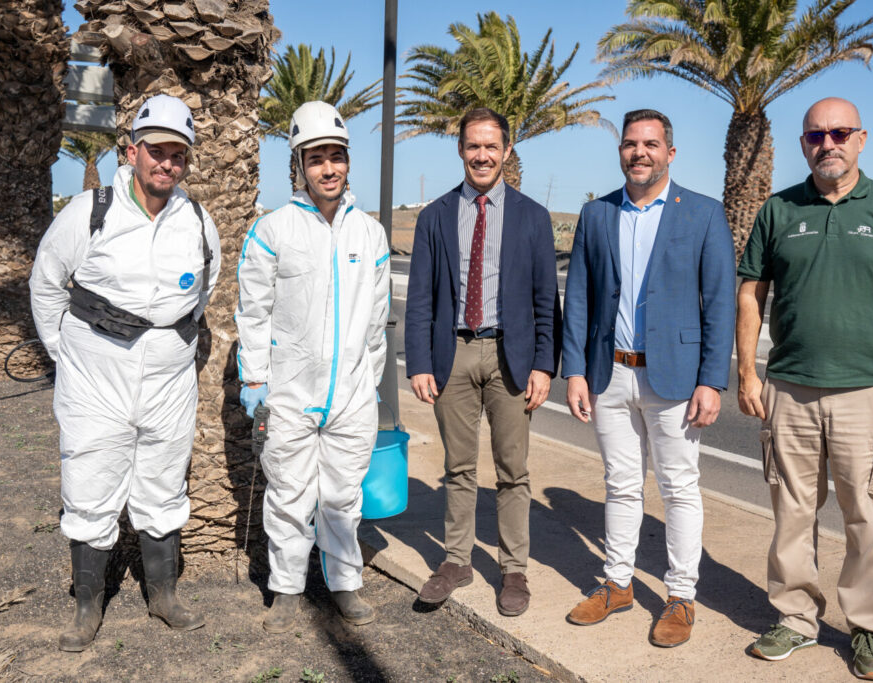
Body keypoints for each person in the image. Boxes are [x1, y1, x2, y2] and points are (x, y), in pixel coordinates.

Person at [736, 97, 873, 681]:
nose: (828, 143)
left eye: (839, 133)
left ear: (861, 139)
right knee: (791, 513)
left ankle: (869, 629)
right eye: (815, 135)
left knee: (866, 518)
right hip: (790, 392)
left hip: (868, 395)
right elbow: (751, 293)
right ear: (803, 143)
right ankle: (795, 619)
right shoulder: (779, 210)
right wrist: (748, 372)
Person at [30, 94, 221, 651]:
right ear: (132, 150)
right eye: (156, 150)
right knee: (90, 483)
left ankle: (163, 597)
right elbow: (46, 284)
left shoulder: (199, 222)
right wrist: (63, 355)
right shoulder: (90, 212)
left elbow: (201, 294)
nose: (167, 163)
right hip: (95, 378)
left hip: (168, 381)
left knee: (163, 483)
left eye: (177, 154)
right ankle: (87, 608)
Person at [560, 109, 735, 647]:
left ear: (670, 153)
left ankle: (681, 596)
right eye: (631, 144)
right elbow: (581, 298)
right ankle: (617, 583)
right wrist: (574, 370)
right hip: (609, 373)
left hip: (676, 378)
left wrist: (712, 379)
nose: (640, 152)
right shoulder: (596, 214)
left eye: (651, 144)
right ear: (621, 153)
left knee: (679, 487)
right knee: (620, 483)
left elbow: (721, 302)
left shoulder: (703, 215)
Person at [235, 101, 390, 632]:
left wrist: (368, 384)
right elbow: (252, 312)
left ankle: (345, 584)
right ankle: (286, 590)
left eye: (337, 157)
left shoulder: (369, 235)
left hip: (350, 394)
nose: (329, 168)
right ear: (298, 165)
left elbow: (377, 320)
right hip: (289, 392)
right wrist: (255, 379)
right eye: (317, 158)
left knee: (344, 496)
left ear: (348, 163)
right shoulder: (273, 230)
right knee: (289, 495)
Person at [404, 107, 559, 617]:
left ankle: (513, 569)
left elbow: (544, 300)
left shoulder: (532, 217)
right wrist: (420, 363)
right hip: (454, 354)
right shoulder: (435, 216)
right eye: (473, 146)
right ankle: (456, 560)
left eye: (492, 146)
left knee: (514, 471)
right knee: (458, 466)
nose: (482, 155)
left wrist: (544, 365)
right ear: (460, 150)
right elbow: (421, 298)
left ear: (507, 151)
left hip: (512, 359)